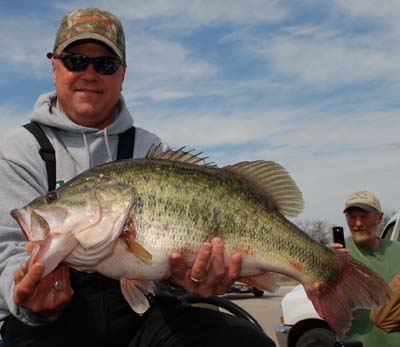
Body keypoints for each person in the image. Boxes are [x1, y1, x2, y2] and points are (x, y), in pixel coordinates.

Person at [0, 7, 274, 347]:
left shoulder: (149, 148)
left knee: (243, 341)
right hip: (51, 329)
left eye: (105, 64)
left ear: (122, 74)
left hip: (140, 321)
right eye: (75, 60)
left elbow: (162, 268)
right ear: (54, 66)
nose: (89, 73)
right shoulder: (19, 150)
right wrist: (24, 292)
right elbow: (7, 249)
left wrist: (190, 279)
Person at [335, 191, 400, 346]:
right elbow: (327, 312)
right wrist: (327, 271)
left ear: (379, 217)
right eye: (352, 217)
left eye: (364, 216)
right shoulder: (334, 256)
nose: (358, 223)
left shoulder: (398, 250)